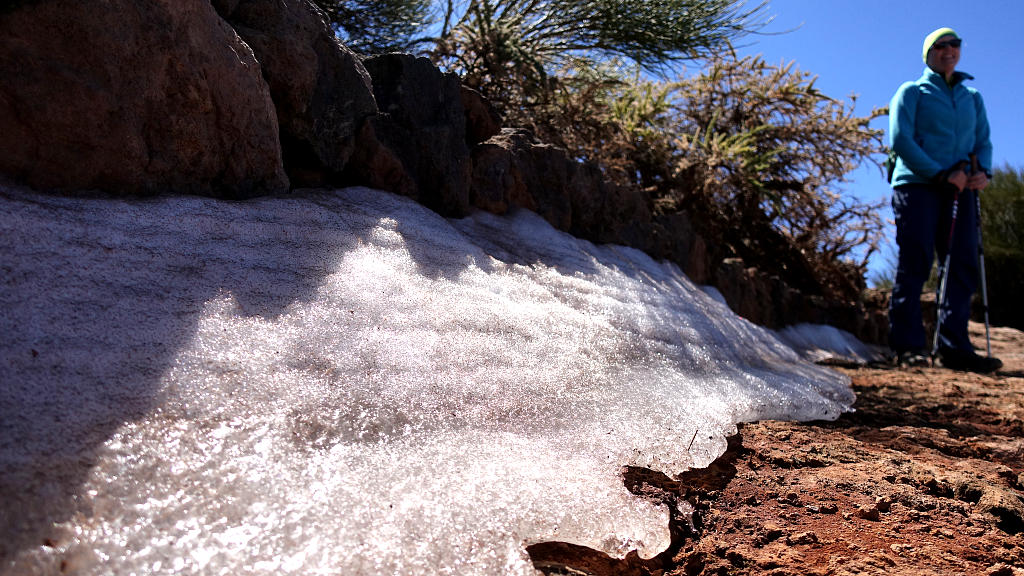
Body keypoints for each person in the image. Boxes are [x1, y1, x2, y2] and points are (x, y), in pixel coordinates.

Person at [887, 27, 1002, 373]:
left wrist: (984, 172)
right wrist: (939, 173)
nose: (949, 50)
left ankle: (954, 348)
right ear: (929, 53)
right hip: (918, 186)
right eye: (940, 45)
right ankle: (907, 346)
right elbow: (900, 139)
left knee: (960, 262)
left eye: (955, 44)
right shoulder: (912, 92)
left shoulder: (972, 98)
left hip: (962, 189)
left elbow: (983, 141)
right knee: (916, 260)